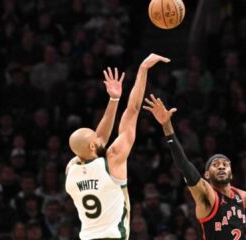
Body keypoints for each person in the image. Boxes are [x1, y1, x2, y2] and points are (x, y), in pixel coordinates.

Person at [143, 94, 246, 240]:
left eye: (225, 164)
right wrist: (167, 126)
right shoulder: (207, 195)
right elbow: (184, 165)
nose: (221, 167)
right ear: (207, 175)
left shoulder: (239, 196)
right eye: (215, 165)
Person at [65, 54, 170, 240]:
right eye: (94, 136)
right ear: (92, 145)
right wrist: (143, 69)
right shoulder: (112, 161)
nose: (98, 136)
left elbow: (97, 142)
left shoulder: (71, 170)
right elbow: (133, 111)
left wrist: (114, 100)